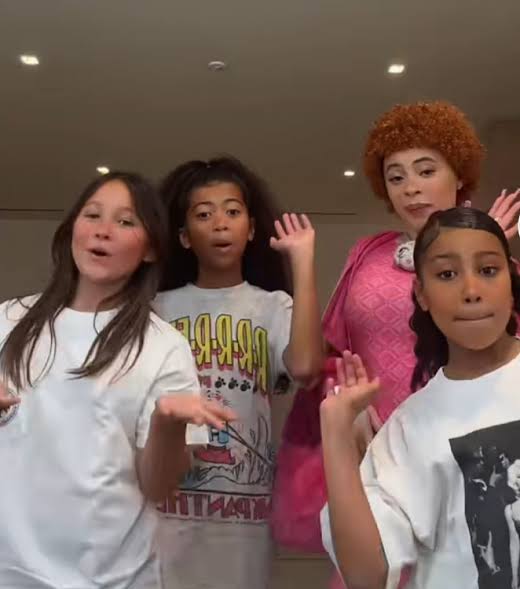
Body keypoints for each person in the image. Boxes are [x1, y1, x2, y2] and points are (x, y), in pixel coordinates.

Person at [271, 102, 520, 575]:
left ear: (458, 173)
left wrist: (483, 248)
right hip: (384, 453)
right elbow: (309, 364)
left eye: (426, 170)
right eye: (396, 177)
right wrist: (302, 262)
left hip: (474, 455)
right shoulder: (367, 254)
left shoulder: (495, 260)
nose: (411, 187)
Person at [0, 171, 234, 588]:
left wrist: (166, 424)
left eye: (125, 222)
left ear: (150, 249)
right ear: (72, 229)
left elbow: (159, 487)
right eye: (92, 215)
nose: (103, 231)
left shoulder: (163, 346)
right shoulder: (9, 320)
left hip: (114, 578)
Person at [320, 206, 520, 589]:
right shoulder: (410, 427)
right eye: (447, 274)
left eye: (488, 270)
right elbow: (366, 576)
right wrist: (337, 437)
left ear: (511, 279)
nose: (472, 291)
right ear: (421, 294)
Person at [153, 156, 323, 589]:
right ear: (184, 236)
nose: (220, 224)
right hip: (167, 511)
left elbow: (306, 367)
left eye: (232, 211)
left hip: (246, 514)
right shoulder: (158, 310)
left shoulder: (272, 307)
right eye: (203, 214)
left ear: (250, 229)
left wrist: (303, 261)